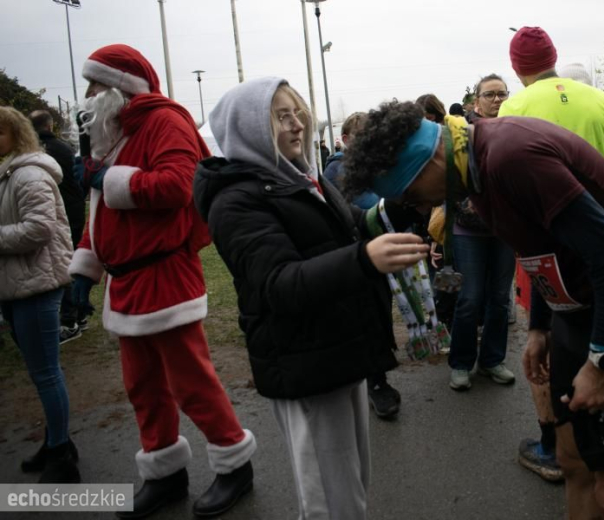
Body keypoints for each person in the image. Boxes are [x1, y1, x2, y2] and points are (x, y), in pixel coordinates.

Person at [342, 101, 604, 520]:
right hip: (574, 312)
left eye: (411, 193)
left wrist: (601, 359)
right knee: (573, 462)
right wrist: (540, 327)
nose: (422, 208)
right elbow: (539, 247)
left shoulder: (510, 157)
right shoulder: (473, 170)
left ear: (432, 159)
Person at [193, 77, 427, 520]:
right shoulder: (236, 200)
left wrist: (399, 207)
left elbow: (351, 224)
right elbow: (277, 284)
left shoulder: (299, 176)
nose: (297, 124)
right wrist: (364, 259)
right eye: (281, 116)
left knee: (351, 485)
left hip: (338, 349)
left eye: (297, 112)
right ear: (249, 128)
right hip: (304, 360)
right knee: (329, 499)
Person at [68, 44, 256, 518]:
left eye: (93, 85)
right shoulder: (117, 133)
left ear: (119, 87)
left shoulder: (166, 121)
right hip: (127, 283)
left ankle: (235, 463)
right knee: (143, 385)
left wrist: (109, 178)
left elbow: (177, 185)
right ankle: (165, 474)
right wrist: (84, 270)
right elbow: (102, 210)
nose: (87, 95)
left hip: (165, 275)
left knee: (190, 381)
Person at [498, 26, 604, 482]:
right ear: (555, 57)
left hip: (545, 244)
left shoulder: (514, 106)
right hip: (603, 237)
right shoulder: (599, 101)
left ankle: (555, 445)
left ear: (518, 70)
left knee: (547, 338)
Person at [0, 106, 80, 483]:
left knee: (47, 372)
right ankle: (55, 441)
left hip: (38, 284)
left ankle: (62, 453)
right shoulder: (9, 173)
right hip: (17, 284)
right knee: (40, 370)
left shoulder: (30, 174)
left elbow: (39, 228)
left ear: (17, 134)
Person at [322, 111, 400, 419]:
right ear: (345, 140)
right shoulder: (334, 171)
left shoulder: (380, 166)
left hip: (379, 250)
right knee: (362, 316)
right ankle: (375, 384)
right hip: (352, 256)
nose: (370, 141)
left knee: (381, 312)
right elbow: (354, 210)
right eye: (362, 135)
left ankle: (377, 378)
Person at [446, 74, 516, 391]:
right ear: (476, 101)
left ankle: (492, 360)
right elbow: (450, 180)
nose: (497, 99)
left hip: (504, 230)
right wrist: (475, 206)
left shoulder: (515, 130)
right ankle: (461, 363)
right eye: (490, 94)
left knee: (500, 299)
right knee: (470, 298)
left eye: (502, 93)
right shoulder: (462, 135)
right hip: (469, 231)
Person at [29, 110, 86, 344]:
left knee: (62, 266)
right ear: (50, 126)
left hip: (59, 215)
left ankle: (70, 320)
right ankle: (77, 316)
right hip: (71, 212)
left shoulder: (39, 153)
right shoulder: (63, 148)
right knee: (68, 263)